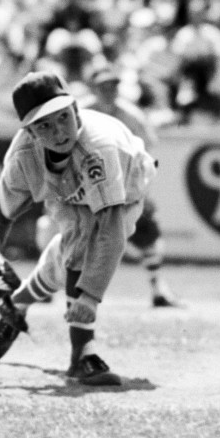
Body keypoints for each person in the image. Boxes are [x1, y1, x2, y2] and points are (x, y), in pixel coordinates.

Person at [0, 70, 158, 386]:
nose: (58, 131)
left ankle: (50, 328)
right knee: (75, 244)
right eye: (44, 125)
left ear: (75, 110)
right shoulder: (24, 157)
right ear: (31, 133)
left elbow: (110, 230)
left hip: (125, 186)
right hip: (66, 187)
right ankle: (81, 354)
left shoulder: (99, 147)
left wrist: (90, 297)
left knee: (84, 241)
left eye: (62, 117)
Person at [79, 65, 183, 308]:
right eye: (104, 86)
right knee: (55, 227)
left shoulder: (130, 115)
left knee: (149, 231)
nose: (109, 91)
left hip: (122, 186)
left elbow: (147, 148)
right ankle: (47, 287)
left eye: (113, 85)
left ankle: (158, 289)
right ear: (94, 88)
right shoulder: (80, 112)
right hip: (85, 185)